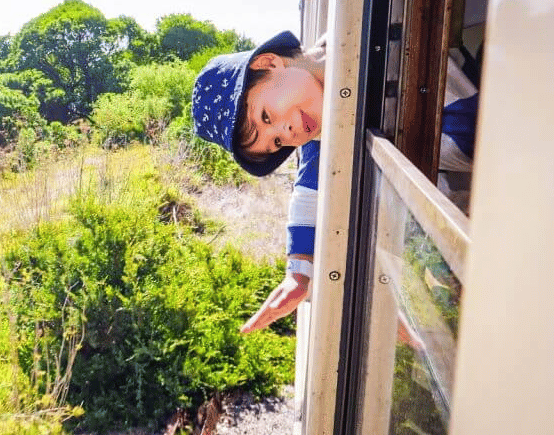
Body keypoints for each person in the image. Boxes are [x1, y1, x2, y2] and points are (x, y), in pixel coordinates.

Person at [192, 31, 477, 333]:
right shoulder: (325, 120)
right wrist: (298, 274)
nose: (287, 131)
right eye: (276, 142)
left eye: (265, 116)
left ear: (269, 63)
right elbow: (307, 194)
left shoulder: (367, 31)